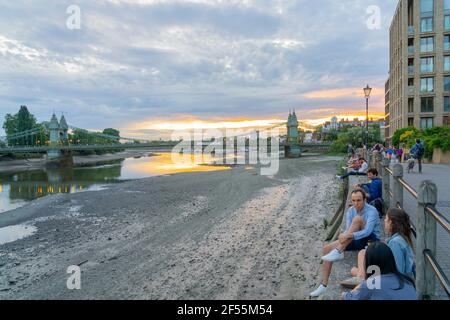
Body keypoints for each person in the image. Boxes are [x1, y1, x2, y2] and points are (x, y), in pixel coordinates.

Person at [310, 189, 381, 297]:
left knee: (357, 219)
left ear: (364, 200)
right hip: (356, 239)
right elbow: (348, 230)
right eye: (353, 200)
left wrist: (347, 236)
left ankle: (339, 251)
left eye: (359, 200)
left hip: (371, 240)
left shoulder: (372, 211)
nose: (356, 203)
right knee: (326, 248)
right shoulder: (350, 211)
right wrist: (343, 236)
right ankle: (323, 286)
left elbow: (368, 231)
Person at [344, 208, 415, 288]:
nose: (384, 221)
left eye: (386, 219)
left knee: (355, 269)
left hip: (396, 283)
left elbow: (398, 271)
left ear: (391, 222)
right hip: (393, 277)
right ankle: (362, 278)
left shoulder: (395, 243)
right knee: (362, 253)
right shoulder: (399, 238)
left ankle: (363, 280)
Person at [342, 242, 416, 300]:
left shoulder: (373, 283)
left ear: (370, 262)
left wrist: (360, 285)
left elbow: (347, 297)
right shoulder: (407, 280)